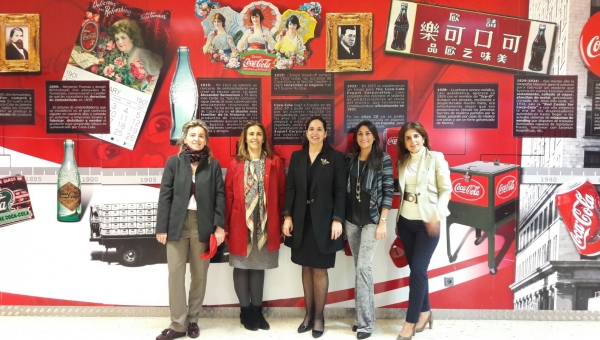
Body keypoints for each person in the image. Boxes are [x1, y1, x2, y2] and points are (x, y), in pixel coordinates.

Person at [155, 119, 225, 340]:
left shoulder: (213, 165)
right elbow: (165, 196)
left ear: (206, 141)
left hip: (202, 224)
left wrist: (219, 226)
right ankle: (178, 324)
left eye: (201, 136)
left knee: (199, 275)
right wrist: (161, 227)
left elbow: (220, 196)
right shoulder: (173, 163)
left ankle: (193, 320)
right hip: (176, 224)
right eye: (193, 135)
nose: (197, 139)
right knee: (175, 274)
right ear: (184, 138)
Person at [282, 116, 346, 338]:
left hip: (325, 223)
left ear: (326, 133)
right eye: (311, 129)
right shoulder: (297, 157)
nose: (315, 132)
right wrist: (287, 216)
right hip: (300, 221)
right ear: (306, 132)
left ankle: (319, 317)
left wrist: (338, 219)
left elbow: (340, 191)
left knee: (320, 269)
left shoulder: (336, 158)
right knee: (306, 267)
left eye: (320, 129)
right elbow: (290, 189)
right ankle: (308, 315)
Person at [225, 122, 286, 331]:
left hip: (265, 224)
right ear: (245, 137)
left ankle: (257, 312)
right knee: (241, 267)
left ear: (263, 139)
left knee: (258, 267)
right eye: (251, 133)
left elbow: (281, 194)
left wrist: (282, 221)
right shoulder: (235, 164)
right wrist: (225, 227)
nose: (254, 137)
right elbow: (229, 197)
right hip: (240, 224)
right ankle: (245, 312)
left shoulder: (274, 162)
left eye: (258, 134)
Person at [395, 121, 451, 340]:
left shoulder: (436, 158)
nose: (413, 141)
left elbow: (446, 190)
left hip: (429, 223)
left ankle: (410, 323)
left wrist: (437, 214)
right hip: (406, 222)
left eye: (416, 136)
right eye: (408, 138)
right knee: (418, 272)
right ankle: (426, 312)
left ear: (423, 137)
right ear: (404, 142)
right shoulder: (403, 161)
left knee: (418, 272)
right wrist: (398, 223)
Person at [345, 121, 393, 340]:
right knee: (359, 268)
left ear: (374, 137)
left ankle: (366, 323)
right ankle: (361, 318)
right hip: (352, 221)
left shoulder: (383, 159)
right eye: (360, 134)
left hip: (372, 220)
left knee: (364, 268)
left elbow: (388, 191)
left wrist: (383, 221)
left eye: (367, 133)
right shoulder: (351, 160)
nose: (363, 137)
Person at [108, 18, 163, 94]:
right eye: (117, 39)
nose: (119, 42)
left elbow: (158, 74)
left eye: (123, 38)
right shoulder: (122, 56)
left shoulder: (143, 55)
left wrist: (146, 89)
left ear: (132, 38)